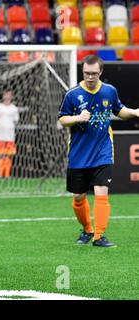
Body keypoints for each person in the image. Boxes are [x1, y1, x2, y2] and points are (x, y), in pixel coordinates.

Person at [58, 54, 139, 247]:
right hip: (79, 154)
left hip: (103, 150)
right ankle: (87, 229)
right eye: (87, 73)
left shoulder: (109, 91)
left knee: (102, 193)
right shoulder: (72, 94)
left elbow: (119, 110)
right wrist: (77, 118)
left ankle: (99, 236)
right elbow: (62, 119)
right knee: (78, 198)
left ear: (100, 72)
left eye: (94, 73)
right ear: (83, 72)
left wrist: (134, 112)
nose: (90, 77)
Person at [0, 90, 19, 178]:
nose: (7, 96)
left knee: (8, 155)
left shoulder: (14, 108)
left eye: (9, 94)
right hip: (0, 135)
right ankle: (0, 175)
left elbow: (16, 121)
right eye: (5, 94)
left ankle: (7, 175)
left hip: (10, 135)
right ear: (3, 95)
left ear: (12, 96)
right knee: (0, 154)